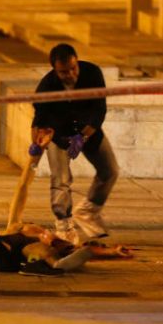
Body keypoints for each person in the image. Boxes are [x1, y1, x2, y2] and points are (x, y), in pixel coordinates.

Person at [31, 43, 119, 244]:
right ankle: (64, 226)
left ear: (76, 62)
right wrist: (36, 145)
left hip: (88, 130)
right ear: (55, 70)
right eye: (64, 72)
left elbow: (99, 110)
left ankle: (88, 211)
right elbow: (39, 120)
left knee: (110, 170)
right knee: (61, 180)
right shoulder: (46, 87)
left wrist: (83, 137)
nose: (70, 74)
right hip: (59, 135)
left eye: (73, 68)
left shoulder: (92, 74)